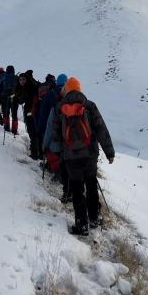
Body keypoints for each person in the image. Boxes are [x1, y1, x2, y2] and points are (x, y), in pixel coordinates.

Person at [51, 77, 115, 236]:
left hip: (71, 157)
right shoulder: (89, 106)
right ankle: (94, 217)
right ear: (79, 89)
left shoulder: (59, 108)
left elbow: (54, 134)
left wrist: (64, 147)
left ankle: (81, 224)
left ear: (66, 90)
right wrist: (109, 152)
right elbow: (101, 129)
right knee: (91, 184)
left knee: (77, 189)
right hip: (90, 154)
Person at [13, 70, 39, 156]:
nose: (21, 81)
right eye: (20, 80)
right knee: (34, 131)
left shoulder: (29, 88)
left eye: (23, 79)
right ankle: (37, 152)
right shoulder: (33, 86)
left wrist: (11, 95)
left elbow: (21, 101)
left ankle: (34, 153)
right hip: (34, 111)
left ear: (27, 79)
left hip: (30, 112)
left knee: (32, 131)